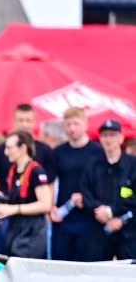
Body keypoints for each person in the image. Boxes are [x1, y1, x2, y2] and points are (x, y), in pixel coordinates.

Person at [50, 107, 104, 261]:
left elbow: (103, 183)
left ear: (85, 124)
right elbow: (51, 181)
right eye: (68, 124)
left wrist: (87, 197)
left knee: (85, 264)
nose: (72, 128)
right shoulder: (58, 152)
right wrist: (50, 206)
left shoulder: (98, 151)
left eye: (76, 124)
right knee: (60, 263)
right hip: (63, 217)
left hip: (88, 217)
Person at [80, 119, 136, 261]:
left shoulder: (132, 164)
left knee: (129, 271)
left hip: (127, 229)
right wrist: (100, 211)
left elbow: (133, 195)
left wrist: (113, 212)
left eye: (112, 135)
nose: (108, 139)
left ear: (121, 138)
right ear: (100, 138)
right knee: (97, 270)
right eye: (105, 135)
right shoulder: (92, 164)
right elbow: (85, 191)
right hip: (98, 230)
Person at [0, 130, 52, 259]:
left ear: (23, 148)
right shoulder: (13, 171)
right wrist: (4, 201)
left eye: (9, 148)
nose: (6, 152)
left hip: (32, 230)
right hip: (14, 227)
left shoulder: (36, 171)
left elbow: (46, 205)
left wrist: (14, 209)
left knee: (20, 264)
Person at [0, 104, 56, 180]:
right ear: (14, 121)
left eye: (28, 120)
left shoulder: (46, 151)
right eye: (20, 120)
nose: (24, 125)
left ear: (34, 122)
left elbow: (51, 182)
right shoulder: (0, 151)